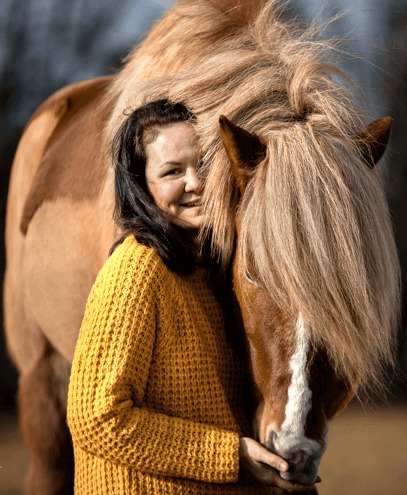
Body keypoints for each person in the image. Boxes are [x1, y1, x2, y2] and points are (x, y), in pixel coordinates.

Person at [67, 100, 315, 494]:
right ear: (141, 185)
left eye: (201, 164)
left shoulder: (214, 269)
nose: (195, 182)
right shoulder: (136, 270)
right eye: (172, 172)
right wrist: (230, 455)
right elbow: (97, 418)